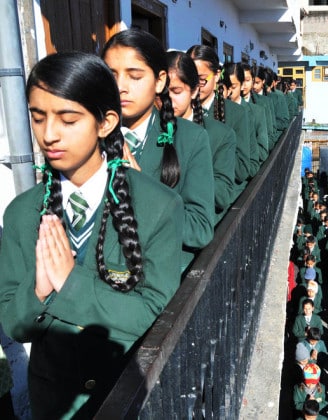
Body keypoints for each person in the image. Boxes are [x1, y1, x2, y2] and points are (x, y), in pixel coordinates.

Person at [0, 52, 183, 418]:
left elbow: (154, 315)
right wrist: (37, 291)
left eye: (68, 120)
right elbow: (13, 323)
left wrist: (69, 283)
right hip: (55, 404)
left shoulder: (158, 205)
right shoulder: (22, 213)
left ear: (105, 123)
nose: (48, 134)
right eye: (38, 117)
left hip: (128, 397)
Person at [102, 29, 214, 269]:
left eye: (134, 76)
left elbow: (200, 229)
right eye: (111, 75)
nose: (120, 86)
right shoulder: (90, 135)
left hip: (154, 280)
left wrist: (144, 193)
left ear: (160, 80)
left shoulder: (190, 138)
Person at [165, 50, 236, 222]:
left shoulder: (220, 135)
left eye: (176, 91)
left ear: (194, 90)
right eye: (162, 92)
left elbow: (223, 195)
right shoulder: (153, 131)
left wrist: (194, 173)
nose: (168, 99)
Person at [187, 45, 251, 189]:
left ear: (217, 75)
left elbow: (242, 170)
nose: (195, 85)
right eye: (189, 78)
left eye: (202, 79)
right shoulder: (180, 110)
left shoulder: (236, 113)